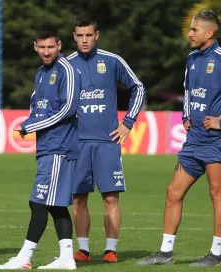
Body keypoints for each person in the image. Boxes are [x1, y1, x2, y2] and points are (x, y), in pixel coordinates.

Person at [136, 10, 221, 267]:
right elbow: (188, 90)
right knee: (173, 193)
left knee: (217, 194)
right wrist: (186, 115)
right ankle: (165, 253)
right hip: (193, 141)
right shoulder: (191, 59)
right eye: (190, 29)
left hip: (216, 141)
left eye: (194, 30)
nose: (189, 34)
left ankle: (216, 254)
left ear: (209, 33)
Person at [0, 24, 80, 270]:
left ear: (59, 45)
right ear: (35, 47)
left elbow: (68, 109)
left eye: (51, 47)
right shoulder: (41, 72)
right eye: (42, 47)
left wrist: (32, 126)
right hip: (46, 146)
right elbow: (37, 104)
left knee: (38, 202)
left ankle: (24, 257)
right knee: (55, 205)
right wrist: (29, 122)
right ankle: (66, 258)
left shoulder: (67, 69)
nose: (46, 52)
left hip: (59, 147)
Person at [66, 14, 146, 263]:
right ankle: (84, 250)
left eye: (89, 35)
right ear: (74, 37)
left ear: (97, 35)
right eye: (80, 35)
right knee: (78, 198)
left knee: (110, 197)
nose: (84, 40)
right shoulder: (65, 65)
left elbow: (138, 88)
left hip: (107, 142)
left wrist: (127, 123)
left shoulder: (112, 61)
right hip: (77, 143)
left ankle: (111, 249)